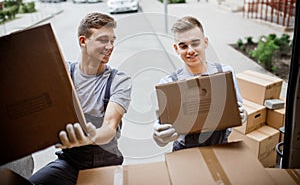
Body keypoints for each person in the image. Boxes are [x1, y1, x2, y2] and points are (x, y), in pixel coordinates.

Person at [29, 12, 132, 185]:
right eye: (103, 40)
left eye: (112, 40)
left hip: (107, 165)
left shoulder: (119, 80)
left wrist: (88, 138)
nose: (110, 46)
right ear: (83, 41)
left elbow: (109, 127)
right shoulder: (63, 73)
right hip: (69, 162)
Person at [153, 16, 247, 151]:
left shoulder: (225, 73)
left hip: (222, 148)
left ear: (205, 42)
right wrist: (159, 135)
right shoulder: (169, 84)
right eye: (183, 46)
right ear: (176, 49)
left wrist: (243, 116)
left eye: (195, 43)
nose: (190, 50)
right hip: (185, 151)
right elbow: (162, 137)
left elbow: (238, 112)